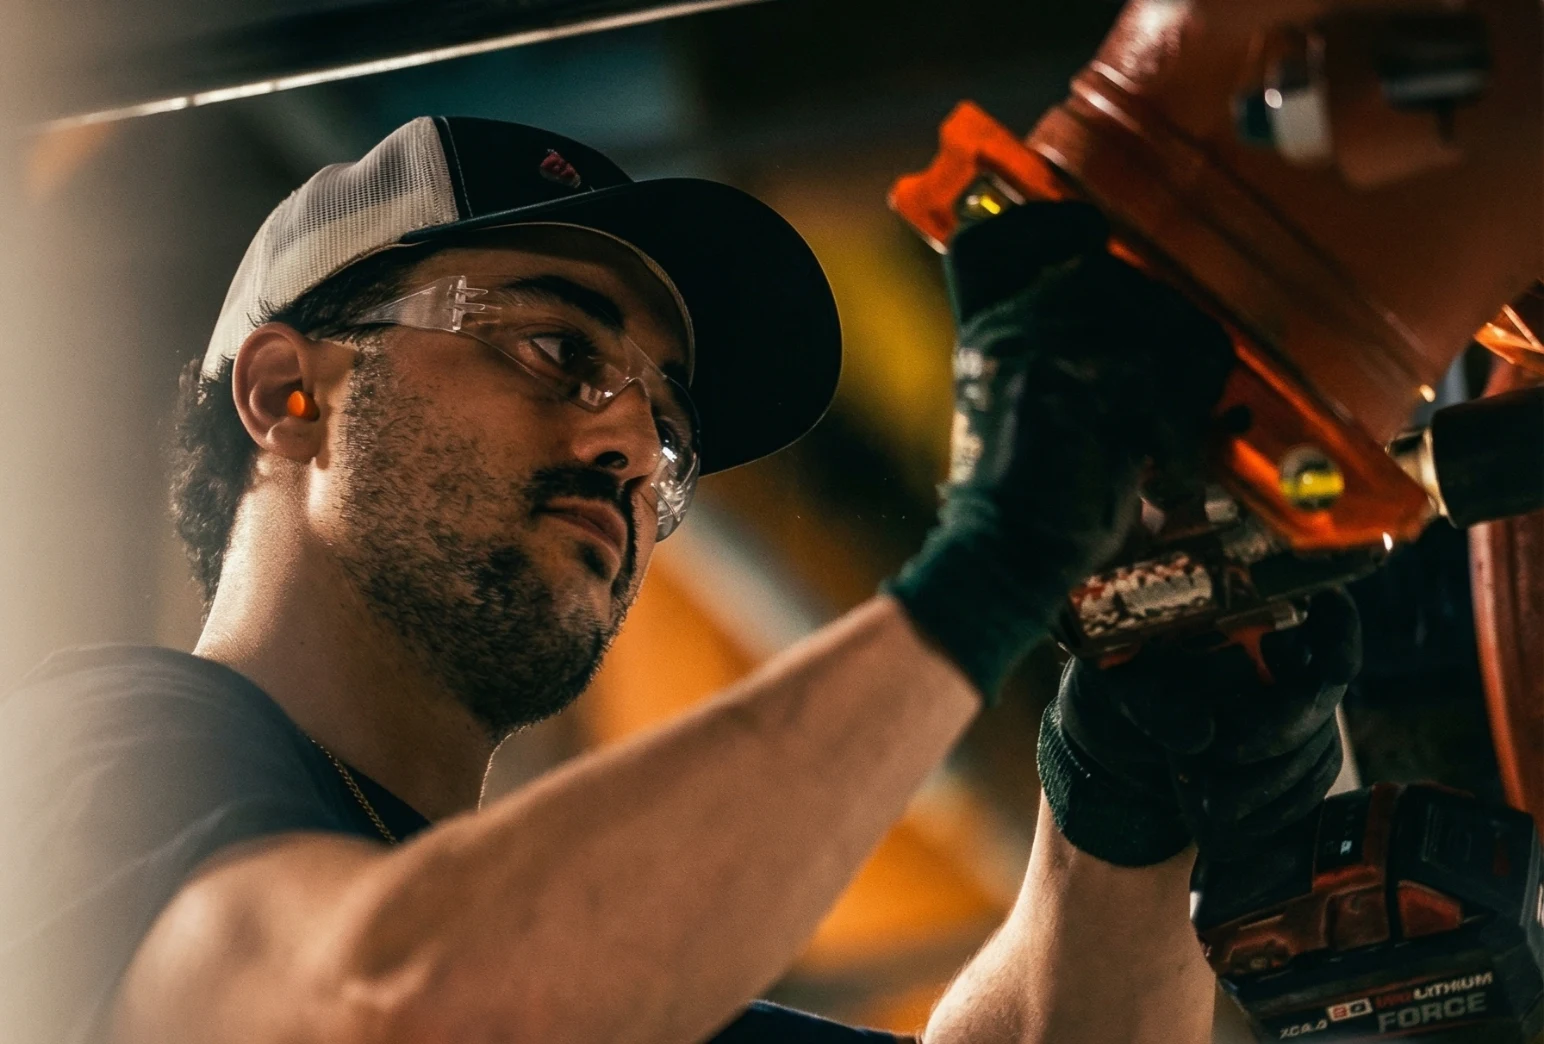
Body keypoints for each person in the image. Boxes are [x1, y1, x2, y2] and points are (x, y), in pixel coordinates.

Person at [0, 116, 1359, 1044]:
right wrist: (985, 572)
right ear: (287, 393)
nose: (632, 448)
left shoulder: (615, 975)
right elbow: (390, 1007)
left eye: (668, 423)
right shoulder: (77, 762)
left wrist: (1125, 793)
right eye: (555, 349)